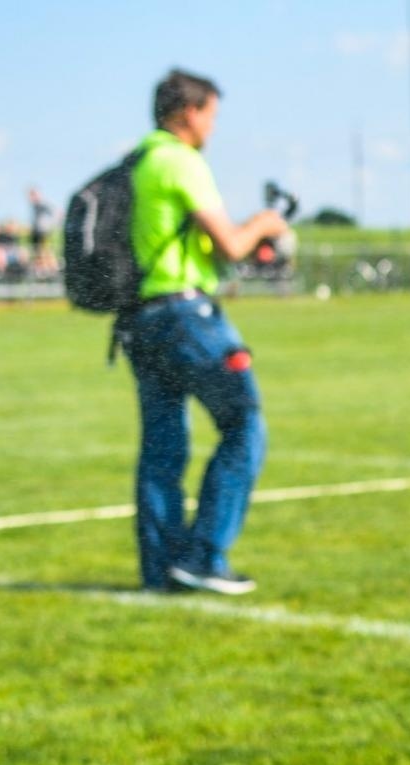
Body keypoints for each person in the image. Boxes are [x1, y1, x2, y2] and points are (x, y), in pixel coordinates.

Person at [115, 68, 289, 594]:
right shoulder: (179, 161)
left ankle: (162, 571)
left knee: (162, 449)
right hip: (186, 318)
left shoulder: (137, 163)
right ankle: (206, 554)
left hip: (140, 320)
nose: (213, 126)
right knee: (244, 421)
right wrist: (265, 222)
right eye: (211, 113)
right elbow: (232, 243)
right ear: (189, 112)